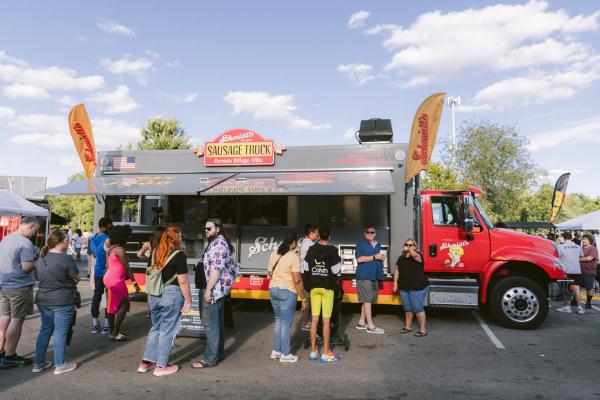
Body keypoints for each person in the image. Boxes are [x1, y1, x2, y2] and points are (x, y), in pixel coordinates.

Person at [138, 226, 192, 376]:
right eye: (180, 236)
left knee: (155, 328)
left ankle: (146, 363)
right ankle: (161, 366)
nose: (181, 238)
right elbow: (183, 281)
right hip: (171, 295)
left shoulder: (155, 252)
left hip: (153, 295)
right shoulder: (179, 255)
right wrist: (188, 300)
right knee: (167, 331)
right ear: (176, 238)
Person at [192, 218, 237, 369]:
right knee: (216, 323)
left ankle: (209, 359)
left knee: (211, 324)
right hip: (217, 289)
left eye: (209, 228)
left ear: (217, 229)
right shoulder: (218, 242)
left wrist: (209, 289)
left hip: (214, 289)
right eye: (205, 228)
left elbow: (216, 270)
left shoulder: (219, 245)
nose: (206, 231)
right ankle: (217, 353)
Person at [33, 230, 80, 374]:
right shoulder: (66, 259)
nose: (68, 241)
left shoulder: (41, 258)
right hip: (62, 299)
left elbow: (37, 277)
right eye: (66, 239)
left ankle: (39, 363)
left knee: (45, 329)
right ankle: (60, 365)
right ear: (59, 242)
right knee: (60, 332)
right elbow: (77, 278)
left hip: (43, 299)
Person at [0, 216, 40, 367]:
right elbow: (26, 266)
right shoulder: (25, 243)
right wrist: (36, 263)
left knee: (5, 318)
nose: (35, 234)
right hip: (20, 286)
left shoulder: (6, 239)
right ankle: (10, 355)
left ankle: (1, 351)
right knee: (17, 320)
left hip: (5, 285)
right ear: (29, 226)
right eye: (35, 230)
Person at [267, 232, 307, 363]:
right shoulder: (293, 257)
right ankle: (285, 354)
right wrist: (303, 298)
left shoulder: (274, 254)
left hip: (273, 289)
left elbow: (270, 273)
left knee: (278, 321)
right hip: (287, 291)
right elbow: (297, 280)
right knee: (285, 323)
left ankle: (276, 351)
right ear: (294, 242)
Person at [306, 225, 342, 363]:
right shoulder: (333, 250)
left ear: (319, 236)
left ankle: (313, 352)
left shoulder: (311, 249)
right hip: (328, 288)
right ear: (329, 237)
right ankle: (326, 353)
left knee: (314, 320)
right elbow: (335, 270)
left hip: (314, 287)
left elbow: (305, 267)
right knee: (326, 321)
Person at [104, 225, 140, 341]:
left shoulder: (111, 249)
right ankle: (115, 333)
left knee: (111, 306)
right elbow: (127, 268)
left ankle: (112, 331)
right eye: (128, 236)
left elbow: (107, 266)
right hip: (116, 281)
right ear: (122, 237)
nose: (129, 238)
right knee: (124, 305)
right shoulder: (120, 250)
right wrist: (135, 283)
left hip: (109, 279)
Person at [393, 239, 429, 337]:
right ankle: (408, 327)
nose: (408, 246)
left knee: (417, 308)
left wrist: (409, 249)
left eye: (411, 245)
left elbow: (414, 255)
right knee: (408, 308)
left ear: (415, 247)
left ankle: (423, 329)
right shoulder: (401, 258)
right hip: (404, 287)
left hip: (416, 287)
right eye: (406, 244)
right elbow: (397, 271)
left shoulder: (418, 256)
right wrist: (395, 284)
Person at [354, 226, 385, 334]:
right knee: (367, 301)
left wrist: (381, 258)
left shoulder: (378, 244)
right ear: (364, 234)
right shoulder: (361, 244)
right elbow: (359, 259)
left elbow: (377, 257)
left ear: (375, 234)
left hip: (374, 276)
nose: (370, 234)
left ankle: (361, 322)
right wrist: (375, 257)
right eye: (368, 232)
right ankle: (370, 326)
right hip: (364, 276)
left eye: (372, 232)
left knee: (367, 300)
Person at [89, 217, 113, 334]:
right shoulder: (108, 238)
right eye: (109, 227)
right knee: (109, 296)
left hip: (98, 270)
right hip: (109, 271)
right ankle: (107, 324)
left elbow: (94, 254)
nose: (111, 228)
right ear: (103, 227)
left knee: (97, 296)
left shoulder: (93, 239)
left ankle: (95, 323)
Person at [137, 227, 166, 318]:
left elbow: (139, 254)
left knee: (150, 289)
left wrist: (149, 258)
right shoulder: (165, 244)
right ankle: (161, 308)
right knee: (161, 287)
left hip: (151, 268)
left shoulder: (149, 243)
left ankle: (149, 311)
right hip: (162, 267)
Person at [556, 232, 585, 314]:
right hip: (577, 270)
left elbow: (557, 257)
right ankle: (580, 308)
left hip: (567, 271)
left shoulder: (560, 247)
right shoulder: (578, 246)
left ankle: (567, 307)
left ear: (563, 238)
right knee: (577, 289)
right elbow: (581, 256)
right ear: (571, 238)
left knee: (568, 289)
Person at [299, 224, 318, 331]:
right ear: (311, 233)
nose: (317, 235)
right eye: (316, 233)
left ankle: (305, 321)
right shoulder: (309, 244)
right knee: (307, 299)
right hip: (306, 273)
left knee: (307, 298)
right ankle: (304, 322)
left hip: (304, 273)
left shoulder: (305, 242)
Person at [580, 234, 598, 310]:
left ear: (590, 240)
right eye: (583, 239)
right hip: (578, 271)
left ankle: (588, 302)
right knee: (576, 287)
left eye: (585, 239)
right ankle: (574, 300)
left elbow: (589, 258)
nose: (583, 241)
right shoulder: (580, 248)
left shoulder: (593, 249)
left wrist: (577, 259)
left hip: (589, 272)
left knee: (589, 287)